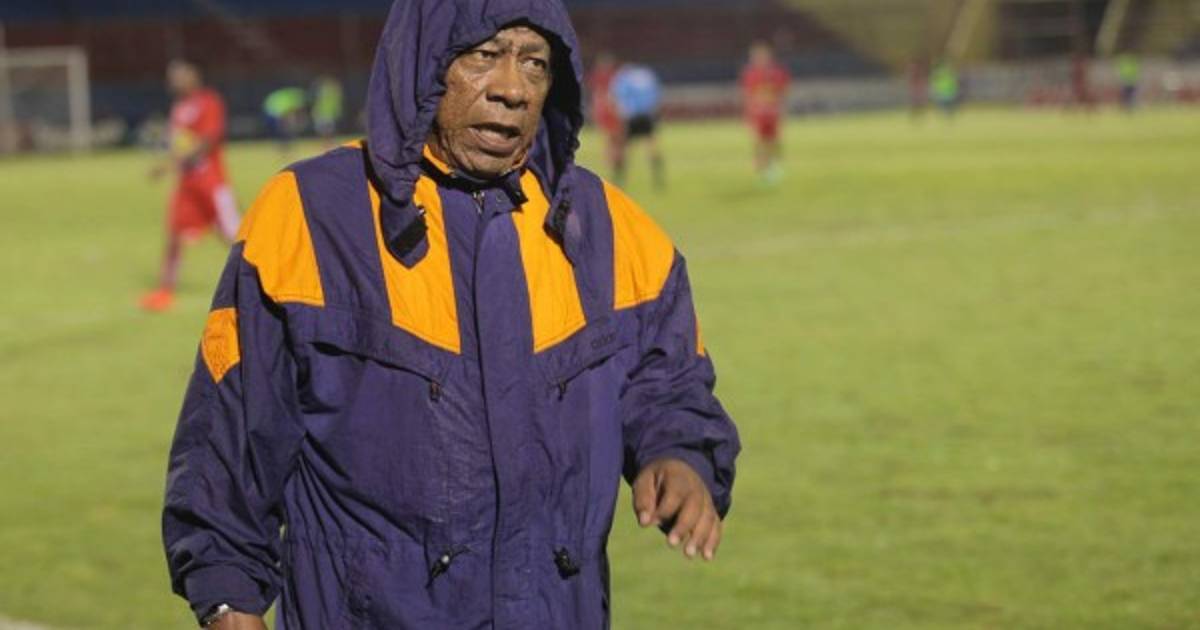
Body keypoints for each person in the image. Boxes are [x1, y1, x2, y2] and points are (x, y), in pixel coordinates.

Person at [162, 1, 741, 629]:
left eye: (535, 63)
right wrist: (228, 600)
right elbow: (229, 441)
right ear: (424, 62)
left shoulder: (612, 231)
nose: (513, 88)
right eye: (485, 55)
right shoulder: (309, 217)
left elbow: (670, 381)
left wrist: (679, 453)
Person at [141, 60, 239, 312]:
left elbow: (209, 140)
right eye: (171, 77)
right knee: (174, 233)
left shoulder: (209, 101)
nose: (174, 81)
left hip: (211, 181)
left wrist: (170, 164)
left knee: (234, 236)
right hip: (187, 183)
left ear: (194, 76)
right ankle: (164, 291)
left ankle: (266, 279)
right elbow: (181, 143)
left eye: (179, 76)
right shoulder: (178, 108)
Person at [740, 41, 790, 183]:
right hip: (758, 113)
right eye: (756, 56)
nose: (759, 59)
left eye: (762, 56)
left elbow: (784, 91)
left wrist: (782, 108)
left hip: (772, 113)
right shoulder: (750, 74)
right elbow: (747, 94)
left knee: (774, 141)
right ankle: (762, 167)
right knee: (759, 141)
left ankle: (775, 165)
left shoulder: (777, 73)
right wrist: (748, 112)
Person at [610, 61, 665, 188]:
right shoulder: (647, 75)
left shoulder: (623, 76)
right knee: (652, 145)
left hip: (632, 116)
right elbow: (657, 94)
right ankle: (658, 179)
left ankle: (619, 178)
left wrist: (621, 113)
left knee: (623, 147)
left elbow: (617, 96)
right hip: (647, 115)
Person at [587, 51, 622, 178]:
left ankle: (613, 160)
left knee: (610, 137)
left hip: (606, 108)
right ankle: (614, 160)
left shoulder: (602, 76)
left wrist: (594, 108)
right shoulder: (614, 75)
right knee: (613, 136)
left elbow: (596, 94)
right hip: (610, 108)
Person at [261, 86, 307, 154]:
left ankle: (284, 144)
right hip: (274, 113)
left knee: (285, 128)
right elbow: (288, 113)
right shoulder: (294, 98)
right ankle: (285, 144)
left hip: (270, 112)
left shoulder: (289, 96)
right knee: (285, 128)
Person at [311, 75, 345, 147]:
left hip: (328, 113)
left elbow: (336, 102)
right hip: (322, 112)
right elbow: (317, 102)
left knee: (329, 130)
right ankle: (327, 142)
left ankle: (329, 142)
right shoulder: (321, 91)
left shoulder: (332, 91)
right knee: (323, 129)